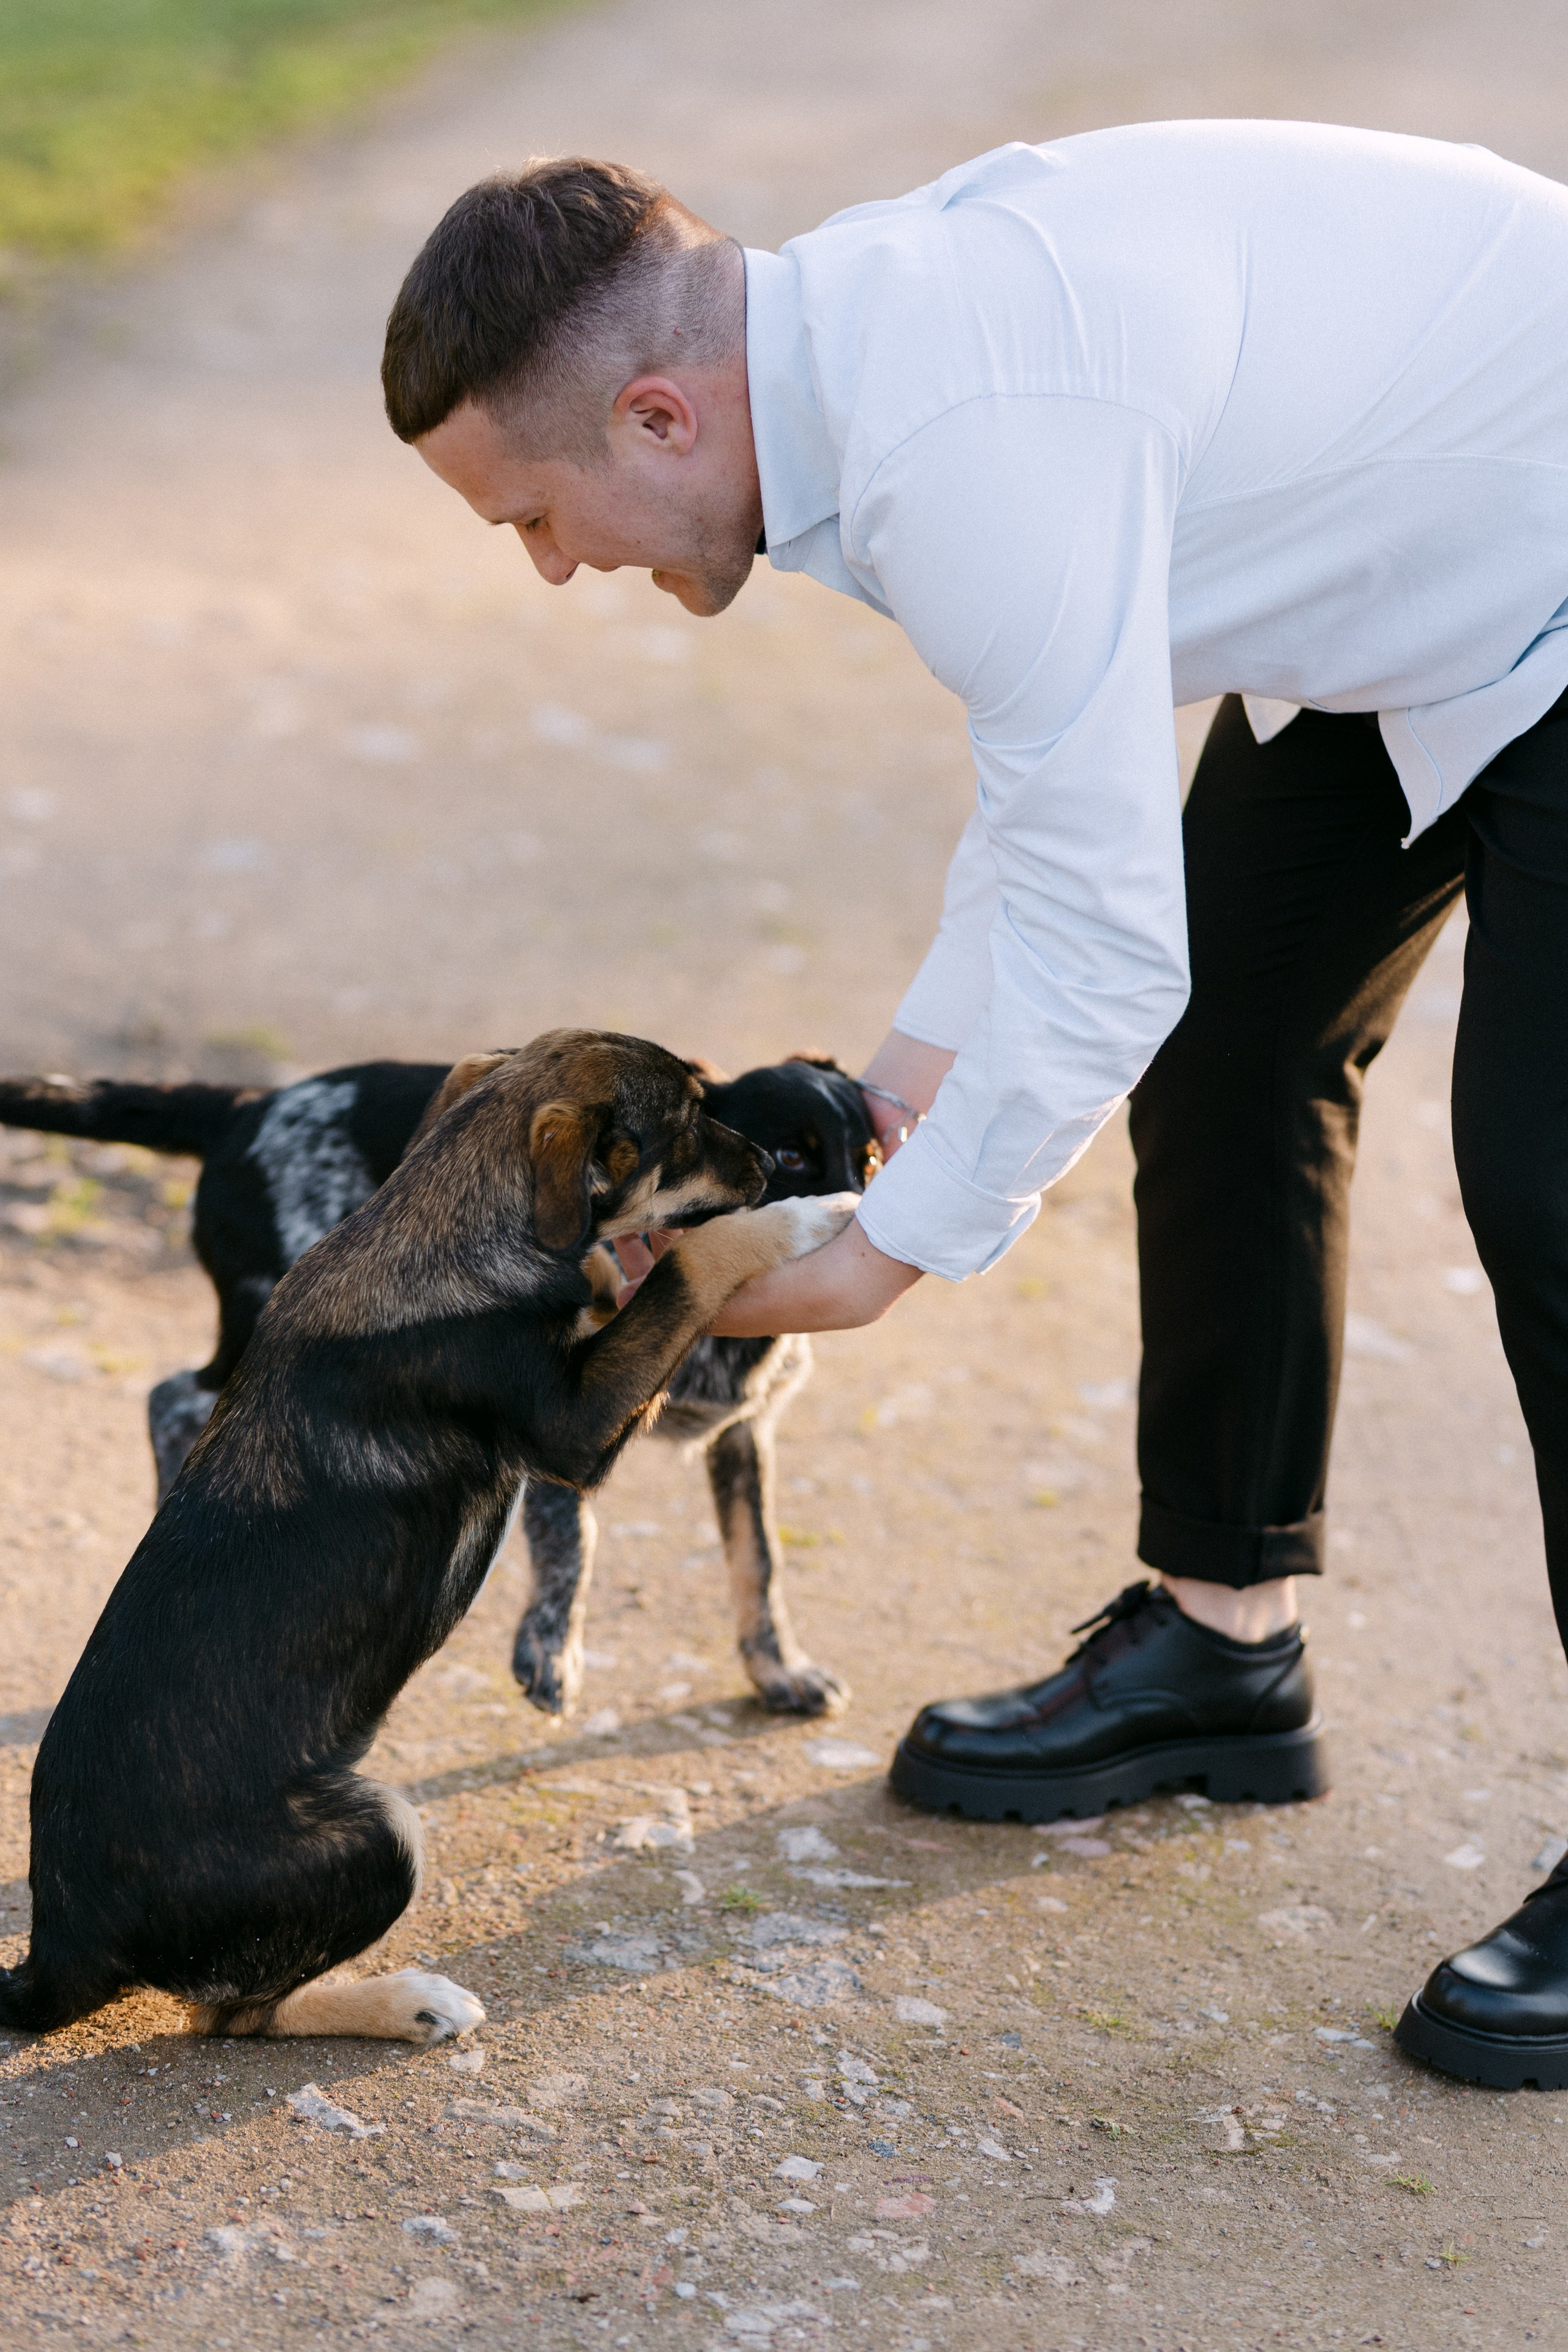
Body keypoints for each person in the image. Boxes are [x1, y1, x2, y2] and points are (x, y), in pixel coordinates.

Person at [382, 122, 1568, 2090]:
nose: (556, 567)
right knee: (1238, 1048)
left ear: (661, 415)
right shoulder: (857, 372)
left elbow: (1106, 947)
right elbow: (1054, 778)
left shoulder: (962, 431)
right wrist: (902, 1087)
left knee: (1548, 1185)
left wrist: (883, 1263)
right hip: (1427, 558)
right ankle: (1225, 1644)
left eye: (538, 513)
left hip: (1552, 522)